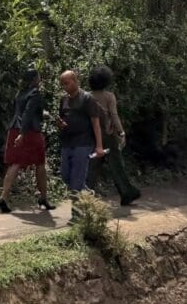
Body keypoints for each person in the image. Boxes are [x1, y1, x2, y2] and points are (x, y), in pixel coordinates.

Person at [0, 68, 55, 213]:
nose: (40, 79)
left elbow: (24, 111)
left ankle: (3, 197)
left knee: (15, 163)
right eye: (39, 77)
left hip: (14, 129)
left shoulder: (19, 94)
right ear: (35, 80)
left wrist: (44, 114)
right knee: (40, 163)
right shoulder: (35, 93)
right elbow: (28, 113)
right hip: (29, 132)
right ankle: (43, 198)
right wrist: (23, 134)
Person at [86, 66, 141, 206]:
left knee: (91, 166)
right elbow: (114, 116)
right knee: (116, 165)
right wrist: (121, 133)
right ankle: (127, 192)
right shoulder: (109, 96)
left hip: (91, 134)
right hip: (107, 135)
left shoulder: (87, 96)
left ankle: (84, 196)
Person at [56, 70, 106, 199]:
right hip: (67, 142)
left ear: (75, 81)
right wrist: (60, 124)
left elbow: (96, 123)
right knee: (65, 175)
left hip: (83, 143)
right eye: (62, 84)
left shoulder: (87, 98)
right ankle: (88, 193)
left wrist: (99, 146)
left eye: (66, 83)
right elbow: (62, 118)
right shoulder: (63, 99)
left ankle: (76, 214)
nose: (64, 87)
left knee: (76, 181)